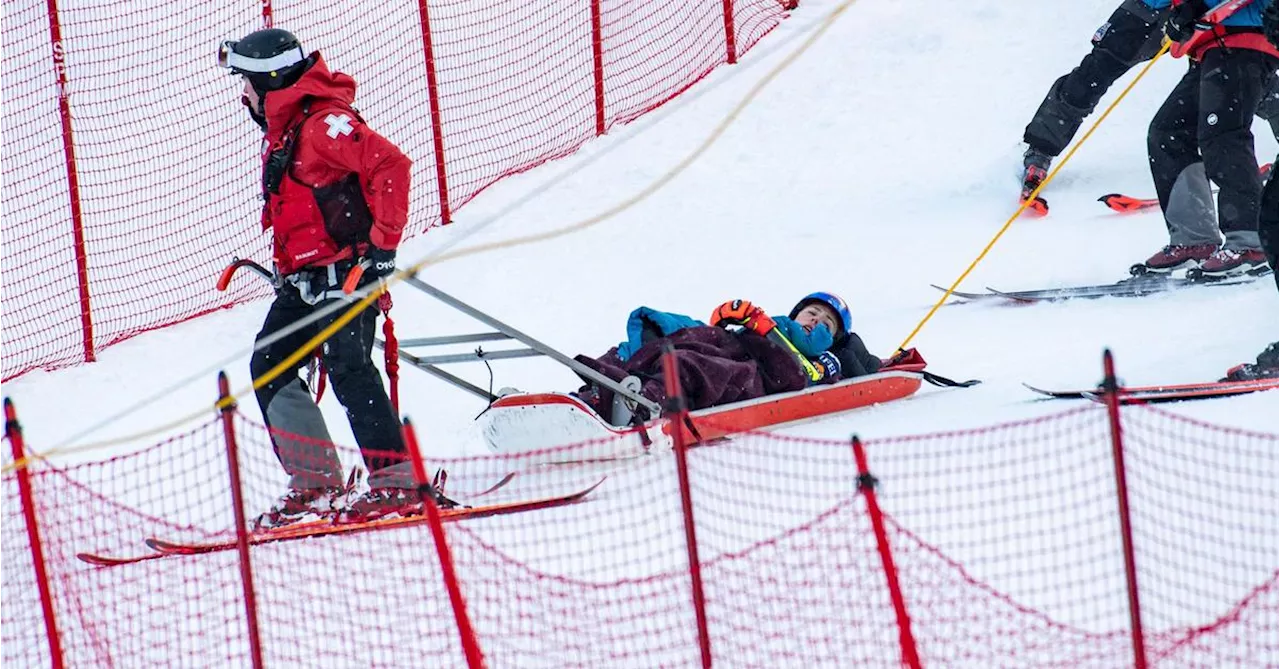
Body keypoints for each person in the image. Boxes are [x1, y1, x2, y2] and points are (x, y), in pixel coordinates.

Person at [218, 28, 445, 527]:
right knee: (271, 364)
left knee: (350, 368)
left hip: (348, 272)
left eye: (248, 85)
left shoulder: (325, 125)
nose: (244, 96)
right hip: (302, 281)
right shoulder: (284, 131)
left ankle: (397, 484)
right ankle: (315, 484)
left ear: (270, 81)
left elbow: (390, 165)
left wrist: (383, 248)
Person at [1020, 0, 1280, 217]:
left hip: (1212, 8)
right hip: (1154, 6)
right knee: (1093, 72)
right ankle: (1040, 149)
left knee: (1233, 75)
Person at [571, 292, 886, 425]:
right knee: (671, 341)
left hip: (755, 372)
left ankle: (640, 403)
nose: (815, 321)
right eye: (812, 313)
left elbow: (804, 374)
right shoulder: (774, 325)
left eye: (826, 324)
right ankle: (598, 389)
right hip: (734, 344)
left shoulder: (828, 358)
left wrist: (815, 341)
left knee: (691, 366)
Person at [1134, 0, 1280, 278]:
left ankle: (1250, 240)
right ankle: (1194, 238)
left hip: (1247, 35)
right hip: (1211, 43)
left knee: (1224, 135)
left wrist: (1197, 5)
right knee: (1169, 132)